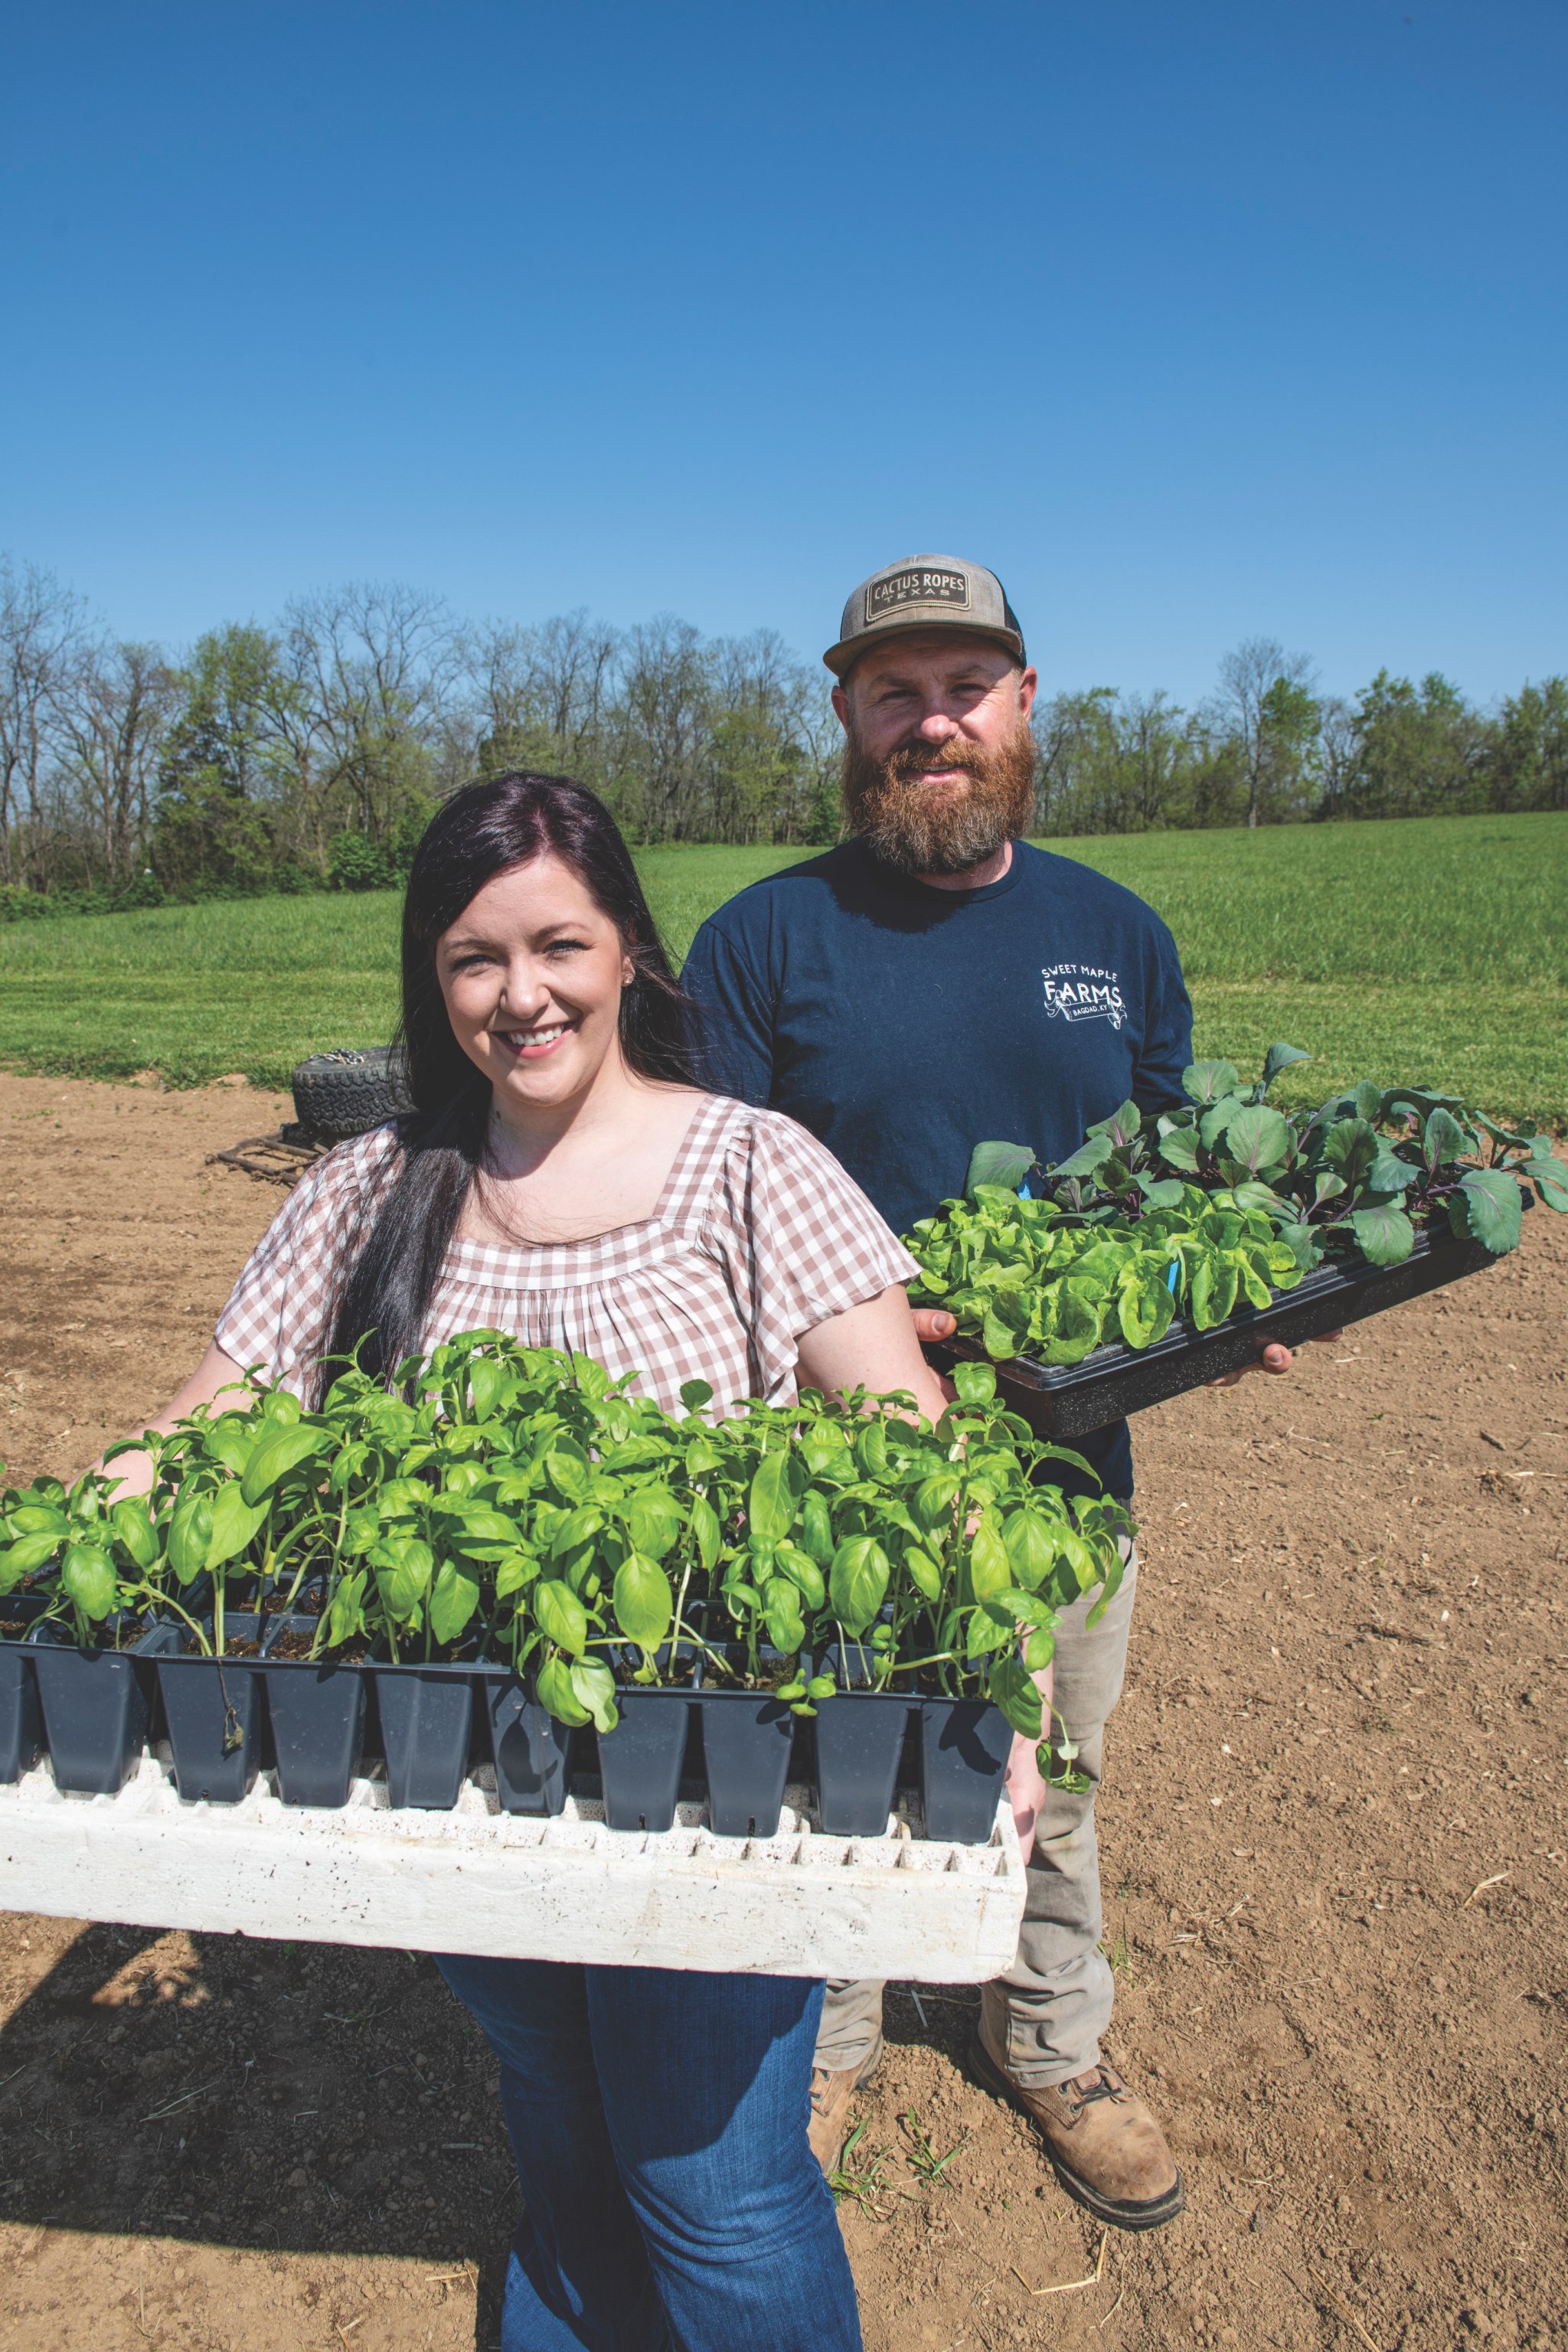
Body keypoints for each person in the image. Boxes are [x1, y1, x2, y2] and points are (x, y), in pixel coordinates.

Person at [99, 770, 969, 2352]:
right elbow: (205, 1426)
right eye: (473, 960)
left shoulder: (754, 1167)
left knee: (711, 2185)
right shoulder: (372, 1186)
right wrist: (82, 1531)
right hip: (471, 1780)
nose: (521, 996)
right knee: (559, 2130)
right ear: (433, 982)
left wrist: (1011, 1695)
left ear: (629, 946)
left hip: (717, 1779)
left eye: (557, 944)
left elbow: (919, 1459)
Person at [683, 553, 1337, 2236]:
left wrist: (1222, 1305)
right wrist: (871, 1313)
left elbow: (1183, 1187)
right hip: (832, 1467)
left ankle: (1050, 2037)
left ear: (1023, 704)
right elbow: (706, 1207)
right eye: (893, 691)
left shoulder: (1114, 935)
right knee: (833, 1759)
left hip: (1064, 1453)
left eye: (962, 686)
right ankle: (822, 2045)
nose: (931, 723)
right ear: (844, 712)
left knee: (1061, 1759)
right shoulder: (762, 939)